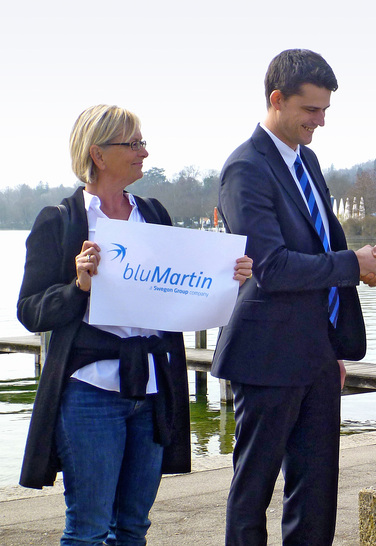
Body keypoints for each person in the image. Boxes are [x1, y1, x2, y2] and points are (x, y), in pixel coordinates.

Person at [17, 104, 253, 545]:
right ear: (99, 154)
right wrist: (79, 285)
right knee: (87, 528)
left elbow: (181, 287)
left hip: (152, 390)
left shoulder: (154, 214)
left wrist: (228, 276)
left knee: (133, 526)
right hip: (89, 392)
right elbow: (30, 310)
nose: (145, 152)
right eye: (134, 143)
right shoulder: (61, 220)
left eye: (142, 142)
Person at [213, 49, 376, 546]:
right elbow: (270, 267)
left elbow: (323, 243)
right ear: (277, 99)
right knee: (253, 492)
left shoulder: (307, 161)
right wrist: (352, 265)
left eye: (325, 111)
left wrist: (333, 344)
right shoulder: (245, 168)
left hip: (317, 353)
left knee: (316, 493)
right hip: (265, 356)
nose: (320, 121)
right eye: (311, 110)